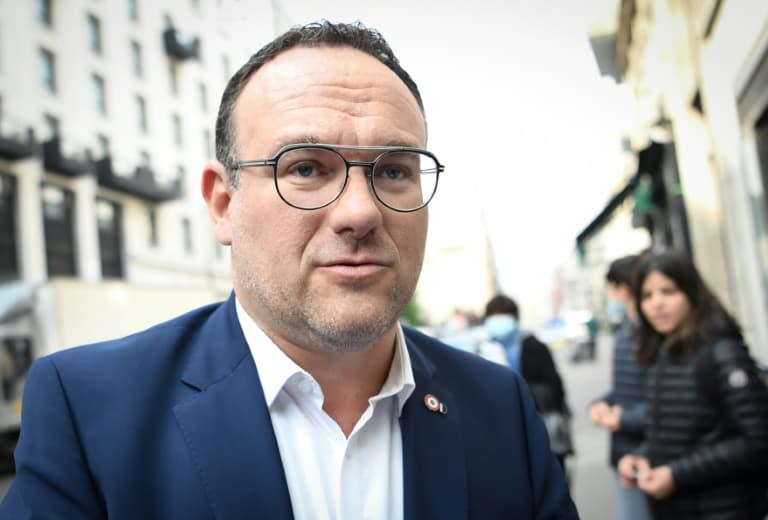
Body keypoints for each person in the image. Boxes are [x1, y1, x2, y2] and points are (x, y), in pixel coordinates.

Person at [0, 22, 577, 519]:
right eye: (304, 168)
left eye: (395, 171)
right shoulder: (89, 411)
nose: (360, 211)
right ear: (223, 204)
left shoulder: (498, 406)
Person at [617, 251, 768, 519]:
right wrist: (643, 457)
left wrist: (676, 475)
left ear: (691, 293)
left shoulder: (721, 352)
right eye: (647, 296)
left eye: (668, 291)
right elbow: (673, 434)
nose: (657, 304)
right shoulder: (662, 353)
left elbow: (757, 440)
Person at [589, 254, 652, 520]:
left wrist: (623, 419)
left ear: (623, 288)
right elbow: (626, 389)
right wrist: (603, 403)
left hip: (648, 454)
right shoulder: (627, 330)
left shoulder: (652, 334)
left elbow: (675, 399)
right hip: (625, 453)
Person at [482, 294, 573, 469]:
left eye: (503, 316)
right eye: (493, 317)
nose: (498, 322)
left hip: (538, 425)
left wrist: (516, 393)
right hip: (500, 434)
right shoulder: (483, 350)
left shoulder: (534, 346)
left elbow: (555, 387)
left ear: (515, 319)